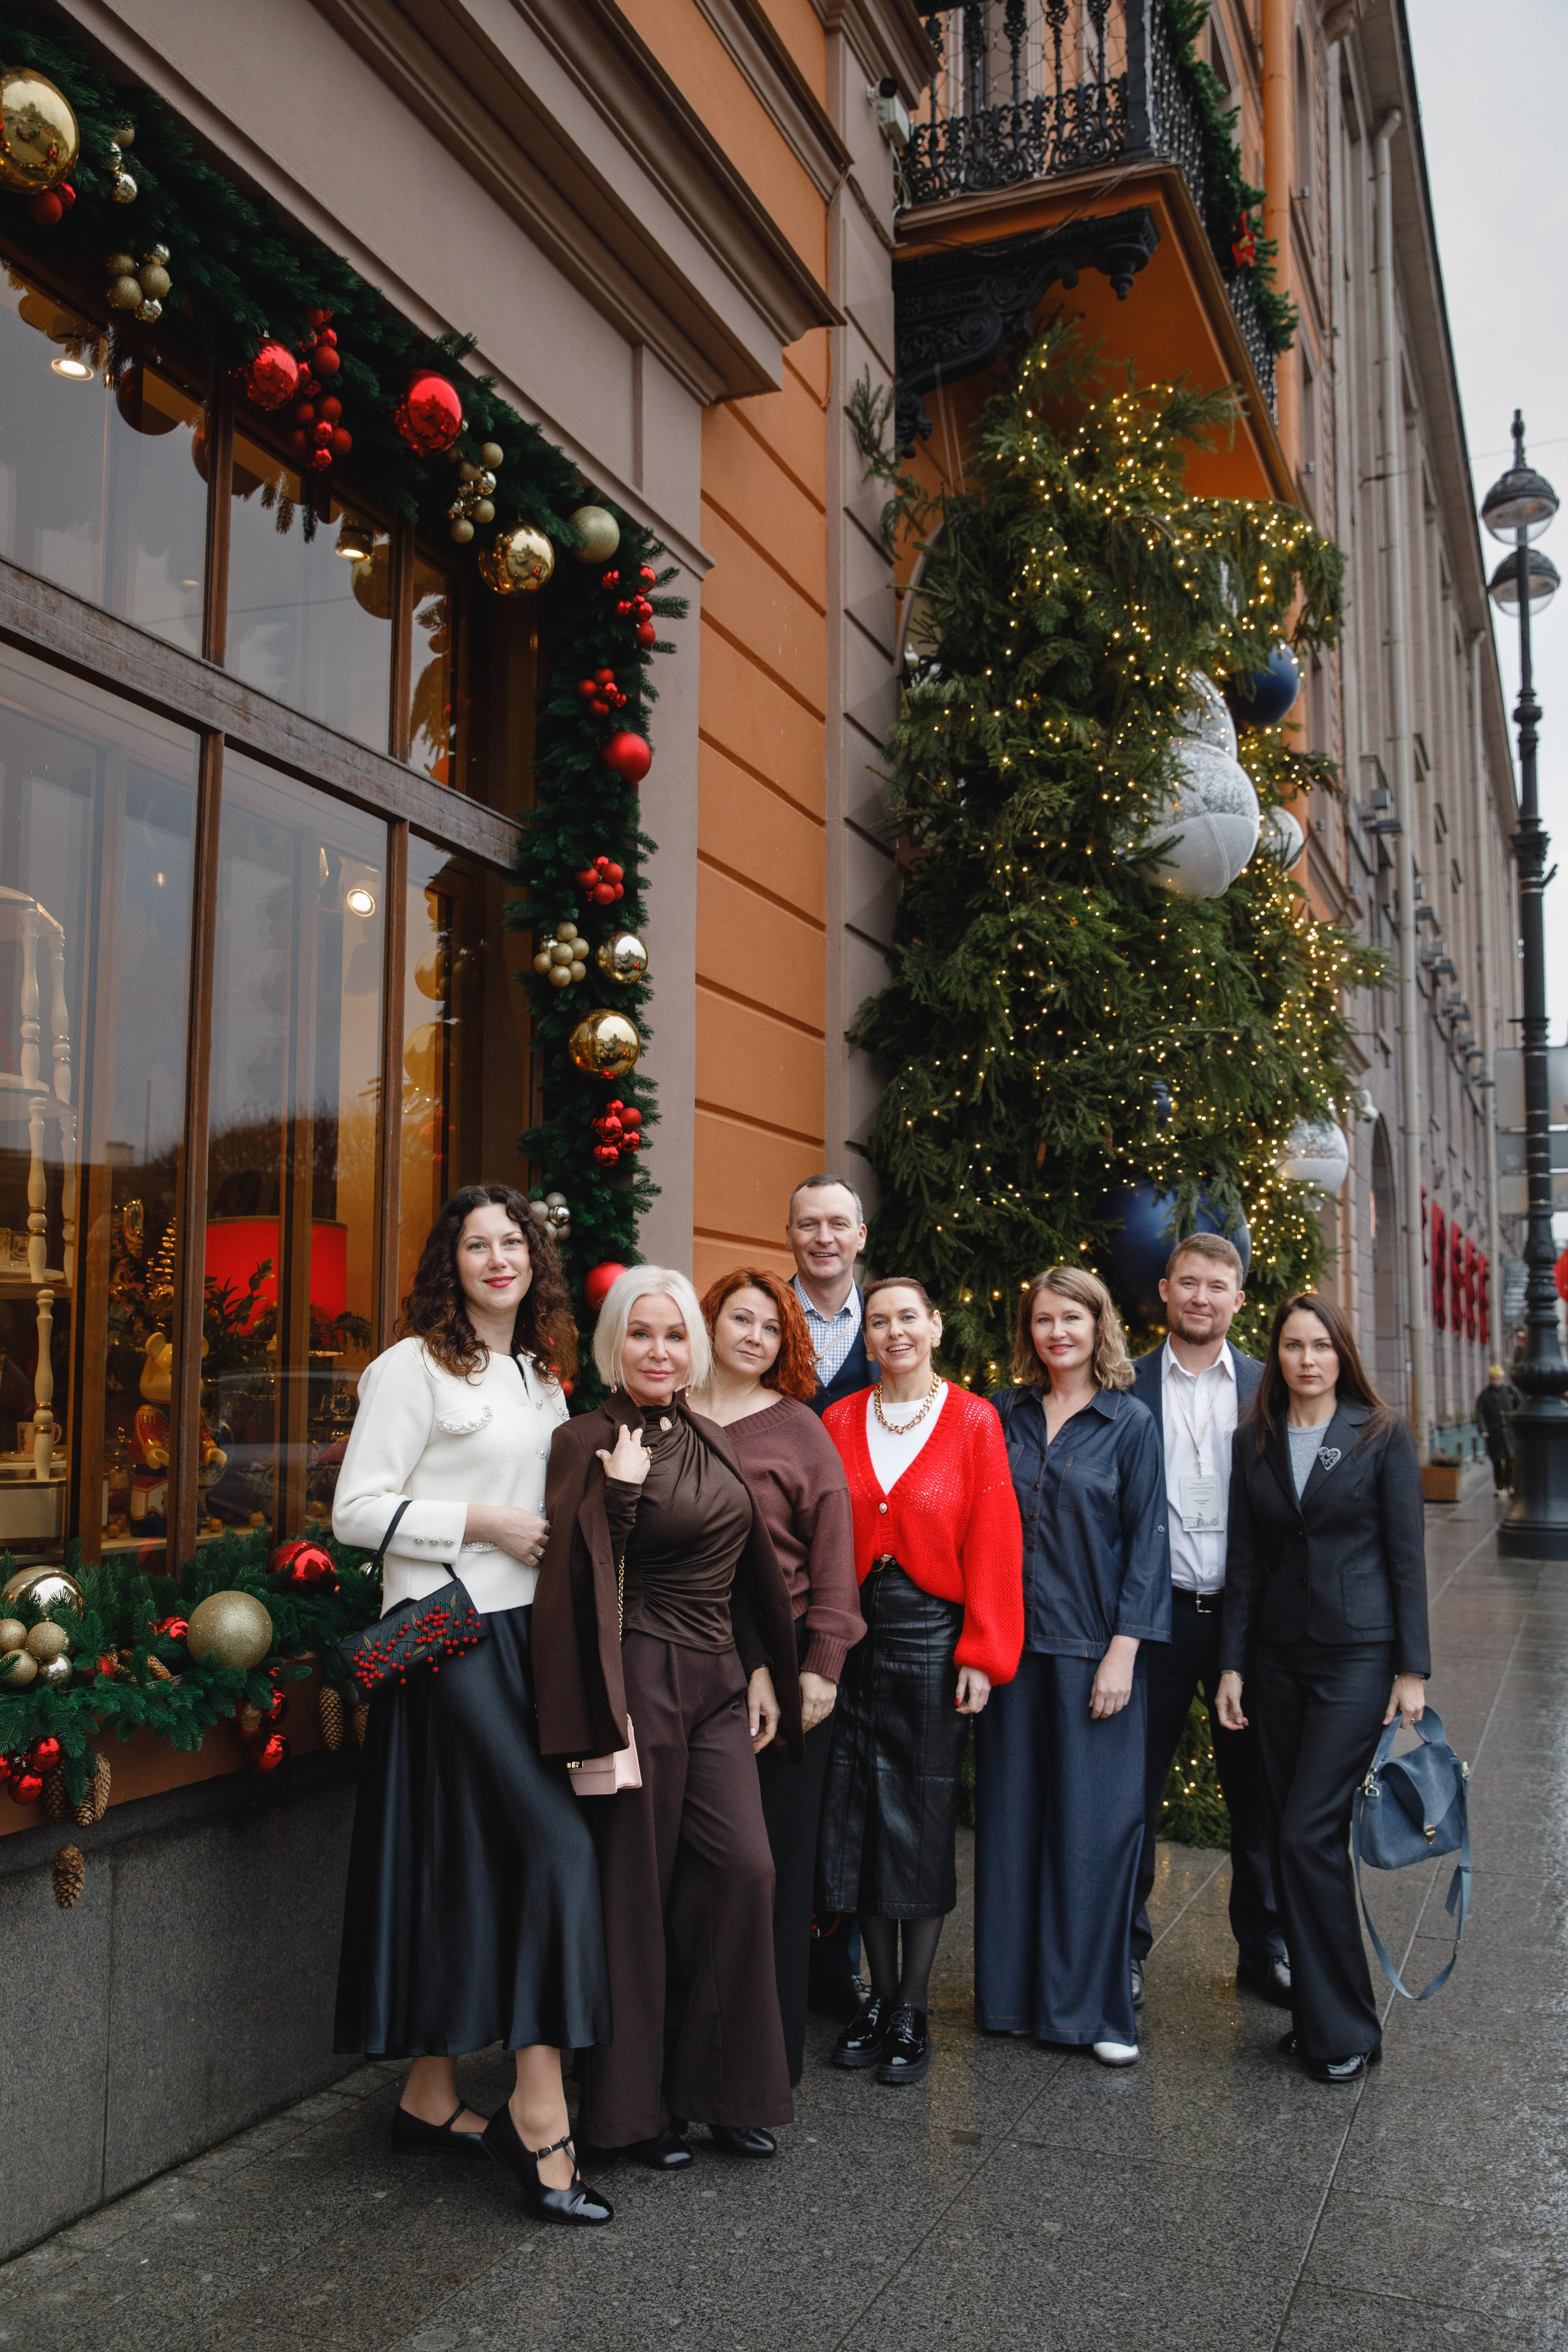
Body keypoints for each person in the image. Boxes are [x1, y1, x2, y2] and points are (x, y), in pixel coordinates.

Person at [332, 1185, 612, 2228]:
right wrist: (483, 1522)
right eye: (476, 1245)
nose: (498, 1259)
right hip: (445, 1639)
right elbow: (354, 1511)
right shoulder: (411, 1368)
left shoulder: (541, 1375)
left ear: (535, 1260)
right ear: (450, 1265)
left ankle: (429, 2096)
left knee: (469, 1861)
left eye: (513, 1243)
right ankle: (540, 2118)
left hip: (526, 1643)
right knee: (556, 1851)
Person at [530, 1267, 802, 2168]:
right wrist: (618, 1493)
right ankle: (629, 2115)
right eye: (642, 1334)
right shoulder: (583, 1438)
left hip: (717, 1681)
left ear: (695, 1347)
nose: (659, 1351)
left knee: (744, 1872)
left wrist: (759, 1666)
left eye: (675, 1334)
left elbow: (738, 1562)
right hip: (638, 1679)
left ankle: (724, 2091)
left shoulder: (708, 1434)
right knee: (635, 1891)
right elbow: (573, 1581)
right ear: (615, 1343)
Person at [1217, 1292, 1431, 2084]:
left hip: (1355, 1658)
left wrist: (1411, 1670)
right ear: (1276, 1355)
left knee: (1307, 1833)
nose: (1307, 1359)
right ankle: (1321, 2018)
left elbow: (1406, 1555)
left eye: (1321, 1346)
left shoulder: (1380, 1433)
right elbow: (1245, 1561)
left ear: (1342, 1355)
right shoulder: (1253, 1440)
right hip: (1275, 1660)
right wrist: (1232, 1665)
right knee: (1287, 1834)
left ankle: (1344, 2030)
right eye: (1293, 1346)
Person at [818, 1276, 1023, 2087]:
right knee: (862, 1814)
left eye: (909, 1317)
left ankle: (912, 2007)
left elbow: (995, 1539)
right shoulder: (840, 1420)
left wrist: (984, 1652)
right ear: (865, 1337)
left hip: (934, 1639)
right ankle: (874, 1999)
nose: (895, 1331)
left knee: (922, 1818)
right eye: (879, 1321)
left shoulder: (973, 1421)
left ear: (935, 1326)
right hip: (854, 1638)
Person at [975, 1266, 1170, 2068]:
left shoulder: (1129, 1421)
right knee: (1012, 1827)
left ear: (1099, 1327)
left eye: (1072, 1319)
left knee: (1094, 1834)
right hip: (1012, 1654)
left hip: (1094, 1652)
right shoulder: (1003, 1414)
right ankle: (1013, 2000)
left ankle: (1094, 2011)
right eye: (1044, 1320)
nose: (1057, 1333)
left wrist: (1124, 1649)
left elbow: (1150, 1541)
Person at [690, 1269, 864, 2084]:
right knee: (692, 1866)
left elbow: (833, 1556)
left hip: (787, 1656)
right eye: (741, 1319)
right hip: (681, 1654)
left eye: (771, 1326)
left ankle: (760, 2068)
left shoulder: (800, 1429)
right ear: (710, 1324)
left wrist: (821, 1668)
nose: (754, 1337)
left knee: (773, 1866)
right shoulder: (667, 1412)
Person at [1129, 1235, 1288, 2010]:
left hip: (1243, 1621)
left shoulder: (1269, 1387)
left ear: (1238, 1299)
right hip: (1154, 1617)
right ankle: (1123, 1949)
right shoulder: (1124, 1382)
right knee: (1132, 1794)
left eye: (1216, 1286)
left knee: (1258, 1794)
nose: (1200, 1297)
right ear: (1165, 1290)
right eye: (1187, 1282)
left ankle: (1265, 1948)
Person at [786, 1174, 875, 1413]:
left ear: (861, 1236)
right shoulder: (763, 1315)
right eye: (809, 1225)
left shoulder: (885, 1322)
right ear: (789, 1236)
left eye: (838, 1224)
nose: (824, 1238)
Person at [1476, 1363, 1521, 1492]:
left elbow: (1519, 1406)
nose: (1496, 1381)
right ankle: (1499, 1486)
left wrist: (1517, 1423)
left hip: (1510, 1432)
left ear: (1502, 1378)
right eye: (1493, 1379)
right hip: (1494, 1433)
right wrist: (1484, 1429)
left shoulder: (1511, 1391)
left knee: (1511, 1460)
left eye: (1498, 1379)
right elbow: (1480, 1413)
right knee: (1497, 1461)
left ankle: (1510, 1485)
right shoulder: (1485, 1395)